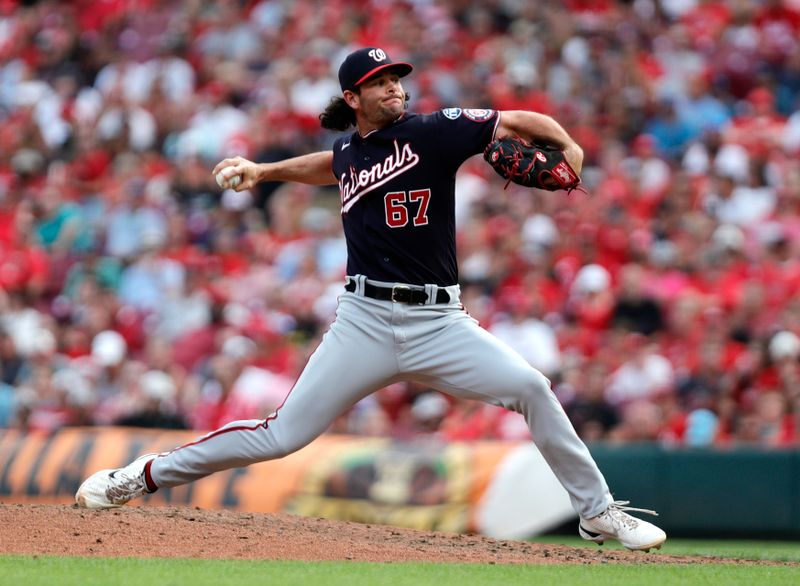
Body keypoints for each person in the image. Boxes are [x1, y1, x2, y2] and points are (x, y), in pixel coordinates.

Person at [76, 47, 666, 552]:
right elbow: (327, 165)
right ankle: (141, 476)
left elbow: (519, 119)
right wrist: (264, 171)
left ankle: (596, 511)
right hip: (363, 320)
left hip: (439, 321)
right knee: (281, 436)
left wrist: (570, 147)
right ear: (353, 98)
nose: (394, 89)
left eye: (396, 80)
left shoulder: (434, 131)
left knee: (533, 388)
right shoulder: (349, 153)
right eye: (380, 83)